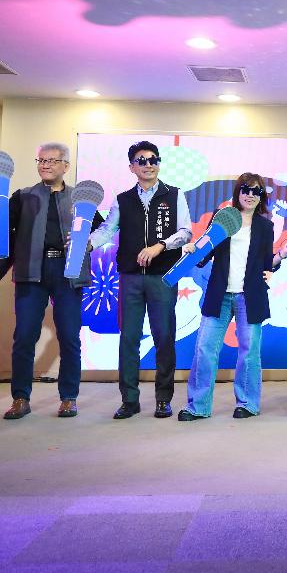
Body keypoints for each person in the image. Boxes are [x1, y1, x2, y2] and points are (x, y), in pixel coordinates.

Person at [0, 142, 103, 420]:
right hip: (30, 271)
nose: (45, 165)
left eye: (52, 161)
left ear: (65, 166)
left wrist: (86, 240)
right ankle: (20, 398)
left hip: (68, 272)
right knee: (24, 336)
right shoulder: (23, 196)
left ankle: (69, 398)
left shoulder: (80, 198)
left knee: (69, 337)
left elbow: (100, 228)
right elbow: (4, 231)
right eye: (41, 161)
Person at [88, 141, 194, 420]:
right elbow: (107, 229)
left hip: (163, 277)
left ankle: (163, 399)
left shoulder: (175, 195)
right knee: (129, 339)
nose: (149, 165)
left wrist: (160, 245)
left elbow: (186, 232)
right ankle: (129, 400)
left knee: (164, 337)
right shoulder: (123, 199)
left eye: (153, 159)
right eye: (142, 160)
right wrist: (85, 244)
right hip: (131, 278)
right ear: (132, 167)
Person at [179, 172, 287, 421]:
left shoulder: (266, 227)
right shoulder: (222, 217)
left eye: (256, 191)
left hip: (249, 296)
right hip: (219, 294)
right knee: (205, 349)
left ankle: (248, 403)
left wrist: (282, 255)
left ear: (261, 197)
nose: (250, 195)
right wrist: (192, 250)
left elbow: (266, 264)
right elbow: (205, 254)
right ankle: (198, 406)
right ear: (238, 192)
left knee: (249, 352)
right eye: (246, 190)